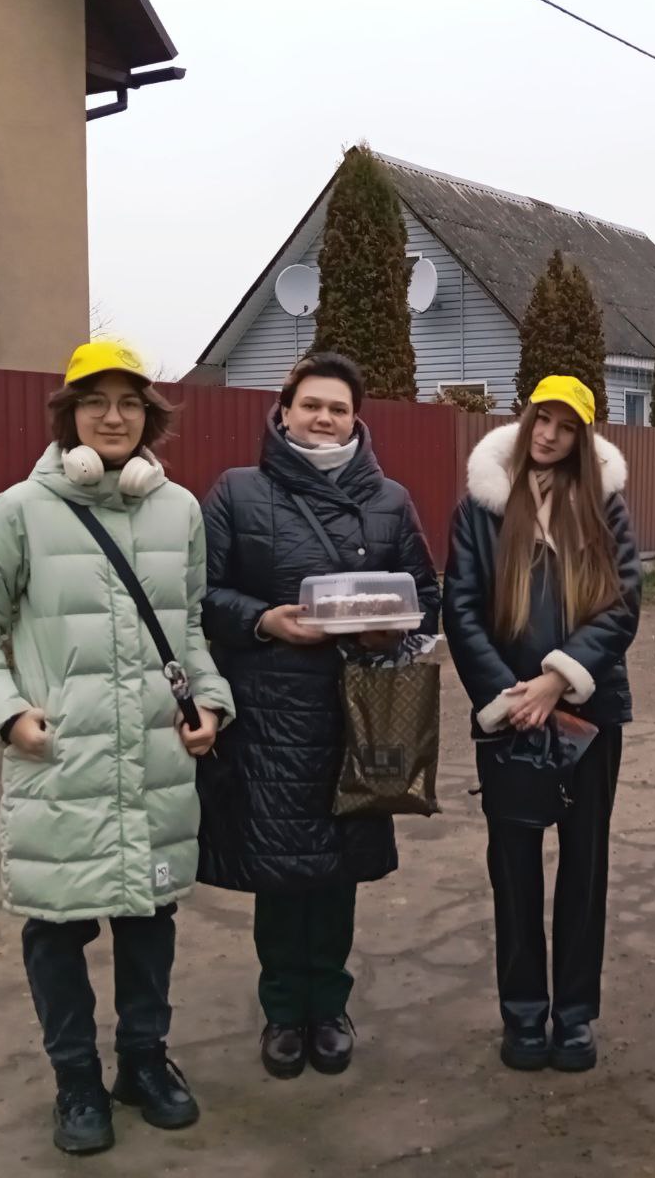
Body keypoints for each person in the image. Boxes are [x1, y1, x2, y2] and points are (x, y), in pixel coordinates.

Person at [0, 342, 233, 1155]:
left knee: (149, 917)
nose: (115, 415)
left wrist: (212, 706)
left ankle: (144, 1064)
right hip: (61, 762)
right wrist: (11, 716)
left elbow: (188, 630)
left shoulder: (181, 511)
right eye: (96, 401)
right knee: (57, 927)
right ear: (70, 416)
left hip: (156, 763)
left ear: (150, 416)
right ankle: (75, 1084)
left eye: (130, 402)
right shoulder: (17, 511)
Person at [196, 351, 439, 1081]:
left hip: (356, 713)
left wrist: (391, 629)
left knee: (336, 873)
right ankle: (282, 1012)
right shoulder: (238, 492)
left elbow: (422, 592)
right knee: (280, 872)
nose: (324, 418)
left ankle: (328, 1009)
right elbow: (200, 594)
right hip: (271, 715)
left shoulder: (390, 499)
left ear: (355, 418)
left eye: (337, 408)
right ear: (285, 409)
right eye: (311, 405)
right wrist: (265, 620)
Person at [443, 375, 641, 1073]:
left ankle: (576, 1016)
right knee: (515, 868)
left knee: (585, 870)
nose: (551, 434)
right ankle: (524, 1015)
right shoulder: (483, 506)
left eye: (566, 425)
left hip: (591, 712)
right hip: (511, 719)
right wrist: (509, 694)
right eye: (542, 419)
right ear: (525, 421)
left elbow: (622, 605)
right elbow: (461, 607)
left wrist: (559, 678)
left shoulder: (606, 507)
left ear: (584, 436)